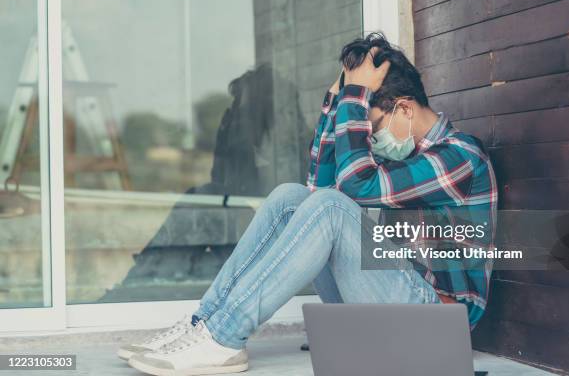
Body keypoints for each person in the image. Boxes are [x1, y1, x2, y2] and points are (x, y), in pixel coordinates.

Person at [119, 33, 498, 375]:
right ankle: (203, 323)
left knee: (332, 207)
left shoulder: (461, 157)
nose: (371, 140)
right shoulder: (403, 160)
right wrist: (334, 104)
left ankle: (223, 338)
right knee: (290, 198)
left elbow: (351, 188)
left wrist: (353, 100)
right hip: (388, 301)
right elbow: (316, 190)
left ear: (404, 109)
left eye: (373, 126)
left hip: (436, 326)